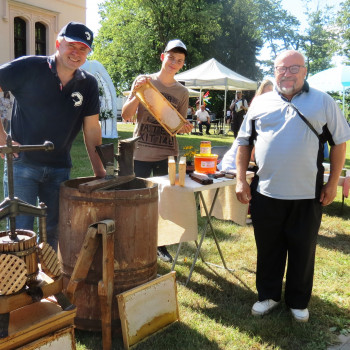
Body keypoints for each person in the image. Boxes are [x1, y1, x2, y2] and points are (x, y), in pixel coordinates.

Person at [235, 50, 350, 322]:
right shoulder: (260, 102)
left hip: (307, 194)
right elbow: (244, 142)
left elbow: (339, 143)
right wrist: (241, 179)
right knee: (268, 248)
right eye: (281, 68)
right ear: (274, 72)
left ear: (305, 70)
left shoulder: (323, 101)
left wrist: (333, 183)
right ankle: (269, 296)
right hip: (266, 192)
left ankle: (298, 301)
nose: (287, 73)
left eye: (294, 68)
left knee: (303, 249)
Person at [0, 22, 106, 251]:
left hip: (60, 168)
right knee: (19, 234)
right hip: (22, 165)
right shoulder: (29, 67)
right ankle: (21, 284)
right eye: (71, 45)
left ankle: (46, 282)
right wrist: (0, 137)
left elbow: (92, 129)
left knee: (53, 233)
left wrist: (100, 172)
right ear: (58, 43)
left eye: (83, 48)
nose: (76, 53)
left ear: (88, 53)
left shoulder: (88, 84)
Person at [121, 39, 193, 263]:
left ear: (182, 65)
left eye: (179, 60)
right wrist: (136, 92)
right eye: (171, 57)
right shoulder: (144, 80)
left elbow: (178, 125)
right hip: (141, 151)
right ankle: (134, 243)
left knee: (163, 203)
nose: (174, 62)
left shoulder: (182, 92)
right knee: (136, 200)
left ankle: (160, 245)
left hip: (167, 155)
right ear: (163, 57)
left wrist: (185, 126)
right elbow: (126, 115)